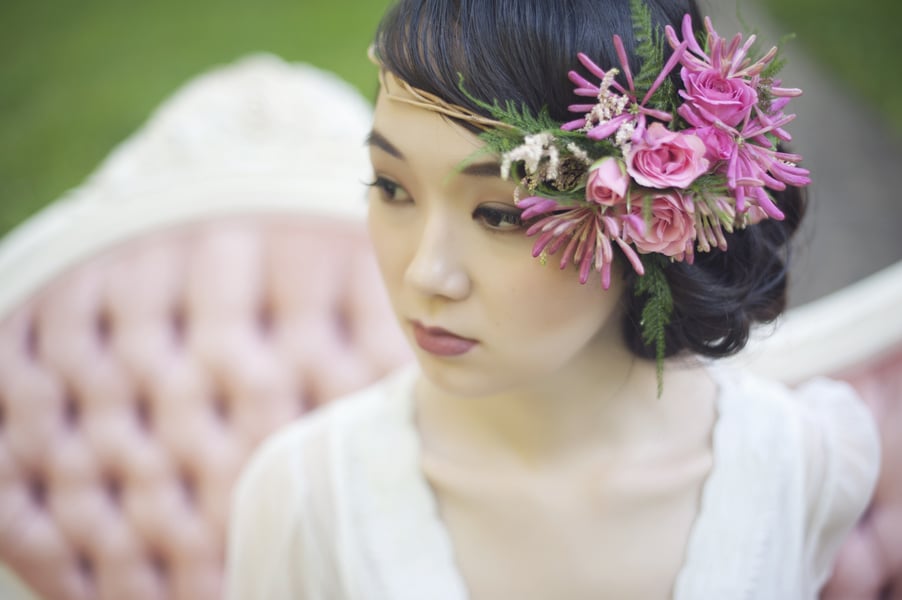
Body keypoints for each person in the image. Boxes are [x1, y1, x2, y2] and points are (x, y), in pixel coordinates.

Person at [225, 1, 880, 598]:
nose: (426, 273)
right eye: (391, 187)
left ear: (653, 216)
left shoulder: (801, 467)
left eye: (500, 215)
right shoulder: (308, 500)